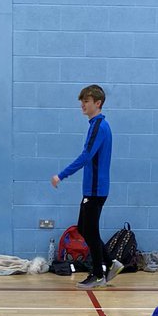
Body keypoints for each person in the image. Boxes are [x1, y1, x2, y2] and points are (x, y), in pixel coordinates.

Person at [51, 84, 123, 289]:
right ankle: (110, 263)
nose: (82, 105)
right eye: (82, 101)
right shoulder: (97, 125)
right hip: (93, 189)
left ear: (97, 103)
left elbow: (86, 156)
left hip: (95, 189)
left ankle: (98, 274)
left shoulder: (99, 126)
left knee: (89, 230)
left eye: (86, 101)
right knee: (84, 228)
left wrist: (61, 175)